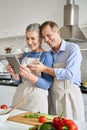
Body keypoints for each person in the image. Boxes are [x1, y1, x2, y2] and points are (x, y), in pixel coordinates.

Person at [28, 21, 85, 121]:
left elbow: (70, 74)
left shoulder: (72, 49)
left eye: (48, 35)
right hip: (54, 98)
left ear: (57, 32)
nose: (46, 39)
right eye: (44, 37)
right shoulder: (50, 54)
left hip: (70, 97)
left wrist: (45, 69)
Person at [6, 23, 53, 113]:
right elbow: (18, 81)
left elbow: (47, 84)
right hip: (19, 98)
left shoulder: (46, 56)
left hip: (36, 101)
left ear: (40, 39)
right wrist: (14, 73)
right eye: (27, 38)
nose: (29, 42)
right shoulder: (24, 55)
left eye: (33, 38)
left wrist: (29, 76)